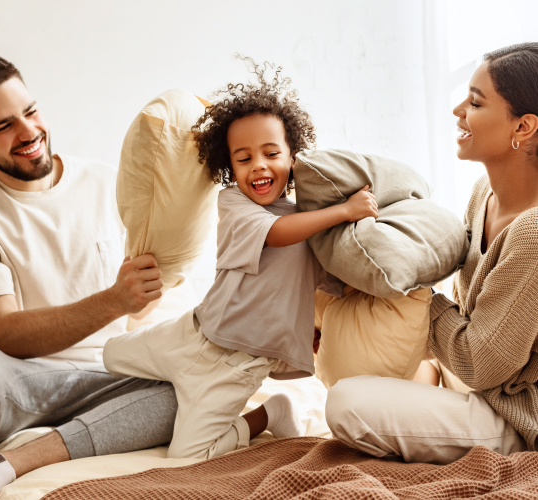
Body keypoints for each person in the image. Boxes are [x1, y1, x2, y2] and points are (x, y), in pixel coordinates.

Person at [0, 54, 180, 500]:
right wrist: (114, 300)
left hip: (107, 374)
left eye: (30, 112)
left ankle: (3, 465)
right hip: (14, 379)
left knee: (193, 386)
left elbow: (155, 292)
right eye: (3, 126)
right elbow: (3, 332)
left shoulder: (110, 185)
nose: (28, 132)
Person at [103, 61, 379, 459]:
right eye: (244, 158)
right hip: (194, 330)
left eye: (271, 153)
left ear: (293, 158)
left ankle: (270, 414)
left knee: (187, 458)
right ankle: (180, 392)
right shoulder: (234, 202)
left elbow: (324, 287)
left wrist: (309, 323)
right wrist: (344, 211)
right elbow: (276, 234)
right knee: (112, 354)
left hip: (239, 362)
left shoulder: (311, 226)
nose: (259, 166)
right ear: (230, 167)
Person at [326, 42, 538, 465]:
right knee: (369, 372)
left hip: (514, 412)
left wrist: (411, 294)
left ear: (523, 127)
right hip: (470, 381)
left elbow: (481, 362)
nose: (458, 110)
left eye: (475, 103)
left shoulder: (533, 231)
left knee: (345, 402)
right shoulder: (484, 195)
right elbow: (465, 316)